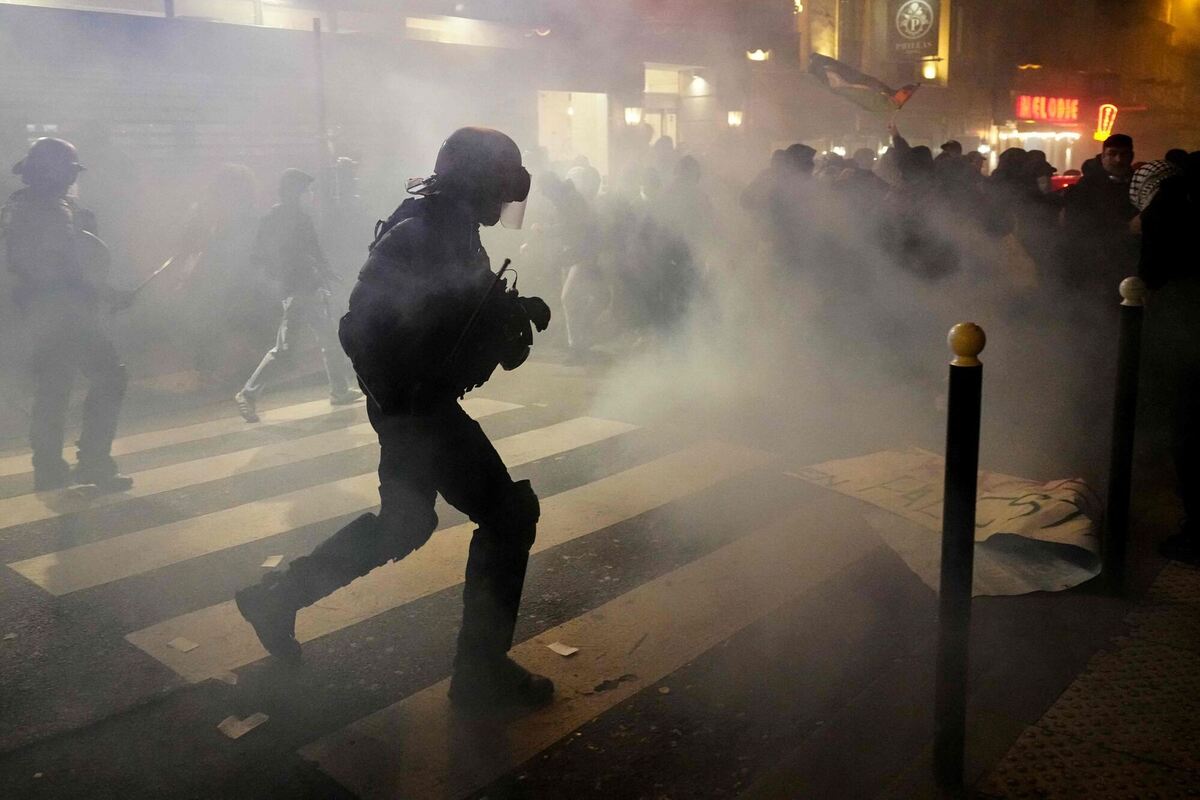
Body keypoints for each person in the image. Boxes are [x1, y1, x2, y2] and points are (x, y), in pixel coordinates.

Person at [234, 127, 555, 709]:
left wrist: (509, 311)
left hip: (415, 405)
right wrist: (408, 397)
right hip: (417, 408)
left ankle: (277, 598)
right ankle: (480, 674)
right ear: (475, 181)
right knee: (508, 518)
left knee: (405, 522)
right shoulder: (422, 232)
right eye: (498, 188)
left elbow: (460, 300)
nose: (501, 204)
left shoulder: (449, 228)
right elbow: (361, 326)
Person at [0, 138, 133, 491]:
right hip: (59, 310)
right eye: (67, 172)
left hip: (45, 312)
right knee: (104, 377)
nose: (70, 179)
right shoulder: (43, 211)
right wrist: (104, 291)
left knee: (55, 387)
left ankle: (53, 468)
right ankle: (89, 462)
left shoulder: (27, 207)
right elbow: (61, 266)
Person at [234, 169, 362, 422]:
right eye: (307, 191)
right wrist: (282, 274)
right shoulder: (274, 219)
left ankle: (339, 390)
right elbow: (259, 256)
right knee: (285, 348)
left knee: (329, 338)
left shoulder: (302, 218)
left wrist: (326, 274)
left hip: (310, 288)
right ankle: (247, 394)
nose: (310, 195)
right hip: (295, 290)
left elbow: (315, 251)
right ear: (294, 193)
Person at [1137, 152, 1200, 563]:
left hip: (1187, 330)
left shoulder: (1166, 208)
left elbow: (1152, 271)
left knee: (1190, 430)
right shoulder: (1190, 199)